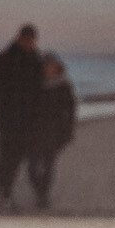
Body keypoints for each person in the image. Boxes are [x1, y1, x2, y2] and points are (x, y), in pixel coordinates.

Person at [0, 25, 44, 215]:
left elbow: (40, 89)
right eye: (26, 39)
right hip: (8, 117)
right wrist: (8, 98)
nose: (29, 42)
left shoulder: (36, 60)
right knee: (6, 158)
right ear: (19, 38)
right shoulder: (5, 58)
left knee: (16, 160)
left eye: (32, 40)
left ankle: (6, 196)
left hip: (29, 119)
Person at [27, 53, 77, 211]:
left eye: (51, 65)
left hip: (54, 131)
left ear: (57, 67)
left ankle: (43, 195)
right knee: (32, 167)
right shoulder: (34, 83)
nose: (48, 68)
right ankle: (39, 189)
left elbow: (71, 109)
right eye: (45, 65)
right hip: (34, 131)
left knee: (48, 164)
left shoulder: (63, 85)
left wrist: (69, 130)